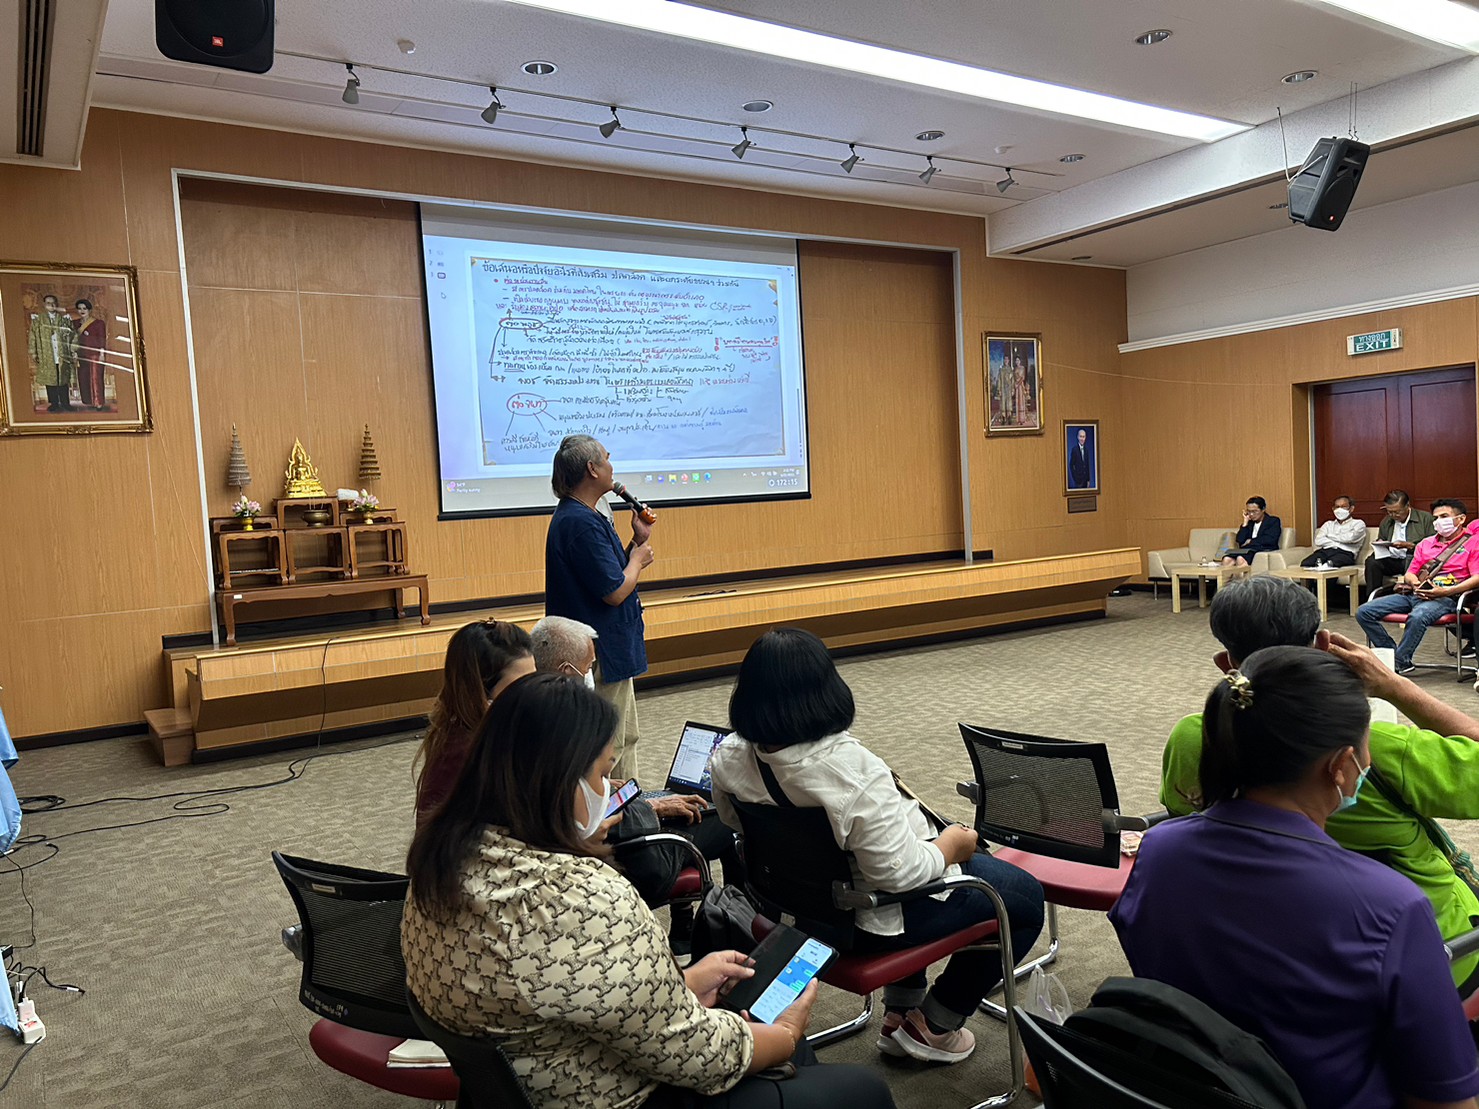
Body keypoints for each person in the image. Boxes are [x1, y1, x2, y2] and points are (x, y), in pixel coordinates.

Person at [402, 673, 897, 1109]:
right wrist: (784, 1035)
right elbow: (701, 1058)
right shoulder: (584, 900)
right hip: (622, 1093)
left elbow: (561, 989)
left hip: (542, 1076)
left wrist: (676, 986)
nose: (610, 790)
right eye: (603, 773)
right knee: (860, 1089)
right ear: (557, 782)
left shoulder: (438, 866)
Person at [1119, 647, 1479, 1109]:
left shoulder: (1158, 851)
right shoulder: (1389, 905)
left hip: (1207, 1084)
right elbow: (1445, 1101)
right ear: (1342, 767)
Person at [710, 628, 1045, 1066]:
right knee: (1025, 898)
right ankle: (936, 1025)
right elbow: (900, 875)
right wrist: (952, 845)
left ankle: (901, 1010)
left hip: (798, 913)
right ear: (825, 688)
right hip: (864, 924)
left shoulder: (728, 756)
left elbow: (735, 824)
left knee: (883, 857)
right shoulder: (851, 772)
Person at [1159, 575, 1479, 993]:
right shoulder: (1374, 744)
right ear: (1325, 645)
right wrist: (1396, 686)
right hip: (1418, 956)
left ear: (1226, 663)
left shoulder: (1193, 737)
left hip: (1261, 944)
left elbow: (1183, 816)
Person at [529, 614, 744, 949]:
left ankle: (688, 928)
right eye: (590, 665)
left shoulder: (526, 716)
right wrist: (651, 809)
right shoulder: (573, 729)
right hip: (632, 857)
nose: (592, 673)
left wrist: (636, 799)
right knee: (726, 817)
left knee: (680, 806)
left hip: (610, 843)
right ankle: (738, 929)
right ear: (567, 670)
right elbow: (596, 822)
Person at [545, 434, 653, 780]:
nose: (612, 466)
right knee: (609, 745)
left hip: (611, 646)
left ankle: (632, 805)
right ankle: (611, 809)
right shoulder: (579, 522)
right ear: (592, 469)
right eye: (607, 458)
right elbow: (614, 592)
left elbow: (607, 576)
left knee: (625, 737)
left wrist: (636, 541)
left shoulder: (588, 515)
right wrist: (637, 560)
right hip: (599, 650)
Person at [413, 620, 534, 819]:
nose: (533, 694)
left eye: (534, 680)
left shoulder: (497, 732)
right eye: (519, 687)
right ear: (481, 692)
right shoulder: (465, 752)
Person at [1357, 498, 1479, 675]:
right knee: (1364, 611)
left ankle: (1400, 662)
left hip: (1447, 597)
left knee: (1418, 616)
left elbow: (1477, 578)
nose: (1438, 522)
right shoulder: (1426, 543)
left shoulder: (1474, 543)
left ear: (1460, 519)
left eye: (1444, 516)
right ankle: (1392, 655)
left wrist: (1447, 591)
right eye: (1436, 518)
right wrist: (1416, 584)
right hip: (1415, 593)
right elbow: (1410, 573)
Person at [1367, 489, 1435, 594]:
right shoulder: (1386, 521)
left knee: (1410, 557)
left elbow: (1433, 545)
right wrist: (1381, 544)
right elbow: (1382, 539)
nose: (1393, 515)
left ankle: (1410, 594)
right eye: (1389, 512)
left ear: (1407, 506)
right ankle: (1373, 595)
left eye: (1397, 512)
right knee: (1372, 562)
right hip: (1392, 559)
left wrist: (1410, 546)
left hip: (1413, 559)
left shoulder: (1425, 518)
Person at [27, 294, 78, 413]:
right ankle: (54, 404)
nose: (51, 305)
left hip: (62, 354)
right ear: (45, 305)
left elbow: (73, 335)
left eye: (53, 302)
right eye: (48, 303)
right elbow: (32, 337)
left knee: (63, 379)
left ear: (57, 304)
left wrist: (73, 349)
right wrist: (34, 352)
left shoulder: (64, 319)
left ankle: (65, 403)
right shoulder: (38, 320)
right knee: (50, 381)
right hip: (46, 354)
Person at [1299, 494, 1366, 568]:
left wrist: (1329, 536)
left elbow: (1350, 538)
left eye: (1343, 506)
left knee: (1329, 566)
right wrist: (1339, 542)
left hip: (1345, 553)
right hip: (1325, 551)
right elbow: (1318, 541)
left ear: (1351, 509)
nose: (1339, 509)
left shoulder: (1358, 523)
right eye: (1337, 507)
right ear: (1333, 509)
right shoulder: (1328, 524)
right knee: (1306, 563)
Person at [1220, 496, 1281, 567]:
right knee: (1226, 559)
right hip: (1248, 550)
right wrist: (1245, 523)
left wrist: (1250, 541)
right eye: (1249, 511)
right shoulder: (1249, 523)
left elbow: (1269, 539)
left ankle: (1243, 575)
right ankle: (1225, 575)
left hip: (1262, 549)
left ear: (1263, 509)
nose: (1251, 514)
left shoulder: (1273, 521)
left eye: (1254, 511)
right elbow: (1239, 540)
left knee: (1240, 559)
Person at [73, 298, 108, 410]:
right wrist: (74, 352)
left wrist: (102, 354)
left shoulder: (98, 323)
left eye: (84, 308)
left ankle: (98, 402)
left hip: (95, 354)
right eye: (79, 308)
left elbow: (102, 339)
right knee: (83, 378)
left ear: (89, 310)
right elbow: (73, 340)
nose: (82, 311)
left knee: (95, 379)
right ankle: (87, 401)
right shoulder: (75, 323)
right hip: (81, 355)